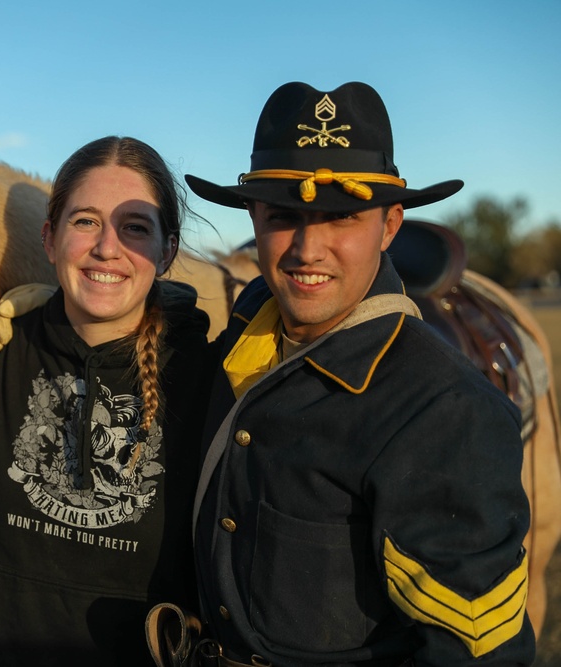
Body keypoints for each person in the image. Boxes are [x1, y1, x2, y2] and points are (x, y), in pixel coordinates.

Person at [184, 82, 536, 666]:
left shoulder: (445, 411)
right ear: (253, 217)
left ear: (391, 225)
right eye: (283, 216)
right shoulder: (241, 337)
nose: (306, 248)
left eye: (341, 215)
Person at [0, 136, 211, 666]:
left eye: (135, 226)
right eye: (85, 221)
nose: (107, 246)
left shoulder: (207, 380)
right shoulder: (6, 352)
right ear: (50, 239)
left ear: (167, 251)